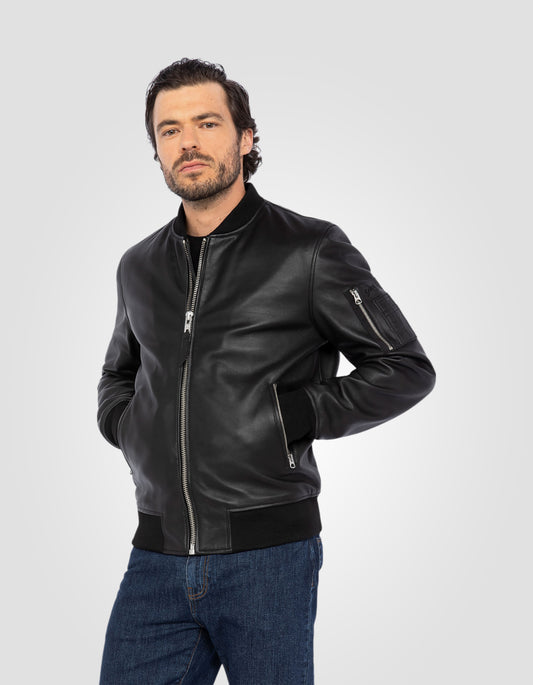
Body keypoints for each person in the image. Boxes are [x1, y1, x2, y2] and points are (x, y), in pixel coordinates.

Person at [97, 57, 436, 685]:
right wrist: (127, 424)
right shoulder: (138, 265)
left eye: (207, 123)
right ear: (156, 150)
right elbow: (119, 374)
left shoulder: (310, 250)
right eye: (170, 130)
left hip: (269, 558)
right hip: (156, 556)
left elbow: (405, 366)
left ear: (246, 138)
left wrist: (294, 414)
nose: (188, 142)